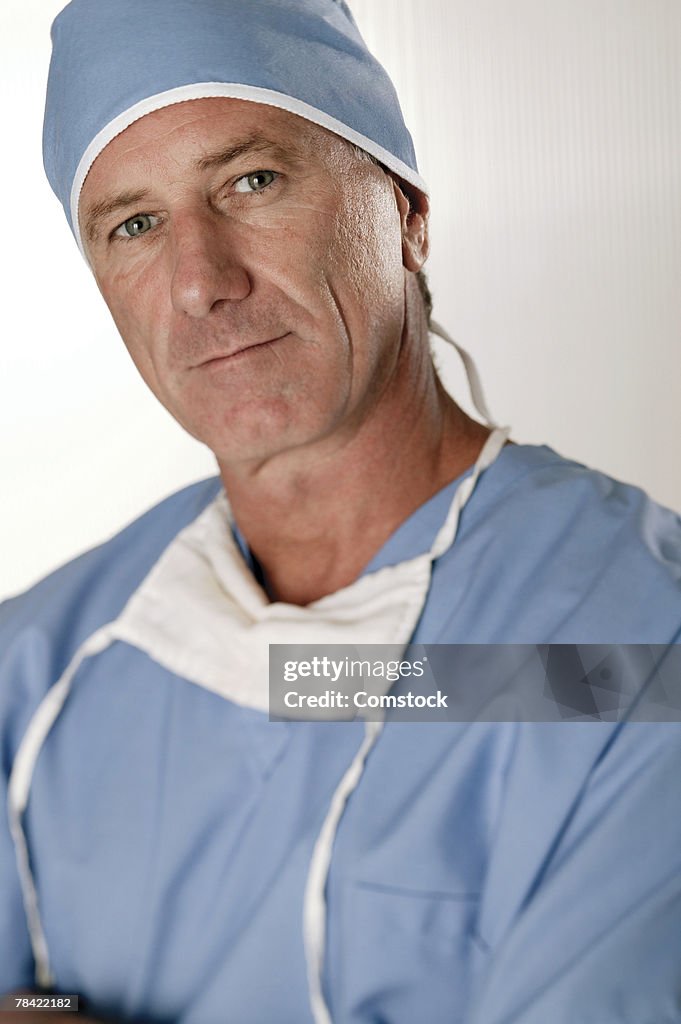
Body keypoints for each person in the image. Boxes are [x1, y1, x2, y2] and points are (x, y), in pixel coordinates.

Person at [1, 1, 680, 1022]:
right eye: (134, 224)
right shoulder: (39, 666)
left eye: (252, 180)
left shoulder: (626, 654)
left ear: (406, 210)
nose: (201, 282)